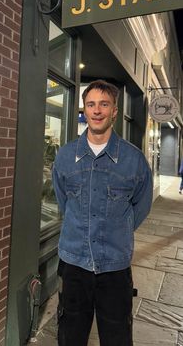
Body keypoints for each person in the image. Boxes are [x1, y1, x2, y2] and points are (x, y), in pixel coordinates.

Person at [52, 79, 153, 346]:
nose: (97, 111)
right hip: (74, 263)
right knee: (69, 336)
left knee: (117, 338)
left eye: (104, 104)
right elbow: (64, 202)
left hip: (115, 266)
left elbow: (140, 206)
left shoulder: (134, 160)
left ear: (114, 111)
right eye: (91, 104)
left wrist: (117, 228)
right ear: (84, 109)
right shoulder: (65, 156)